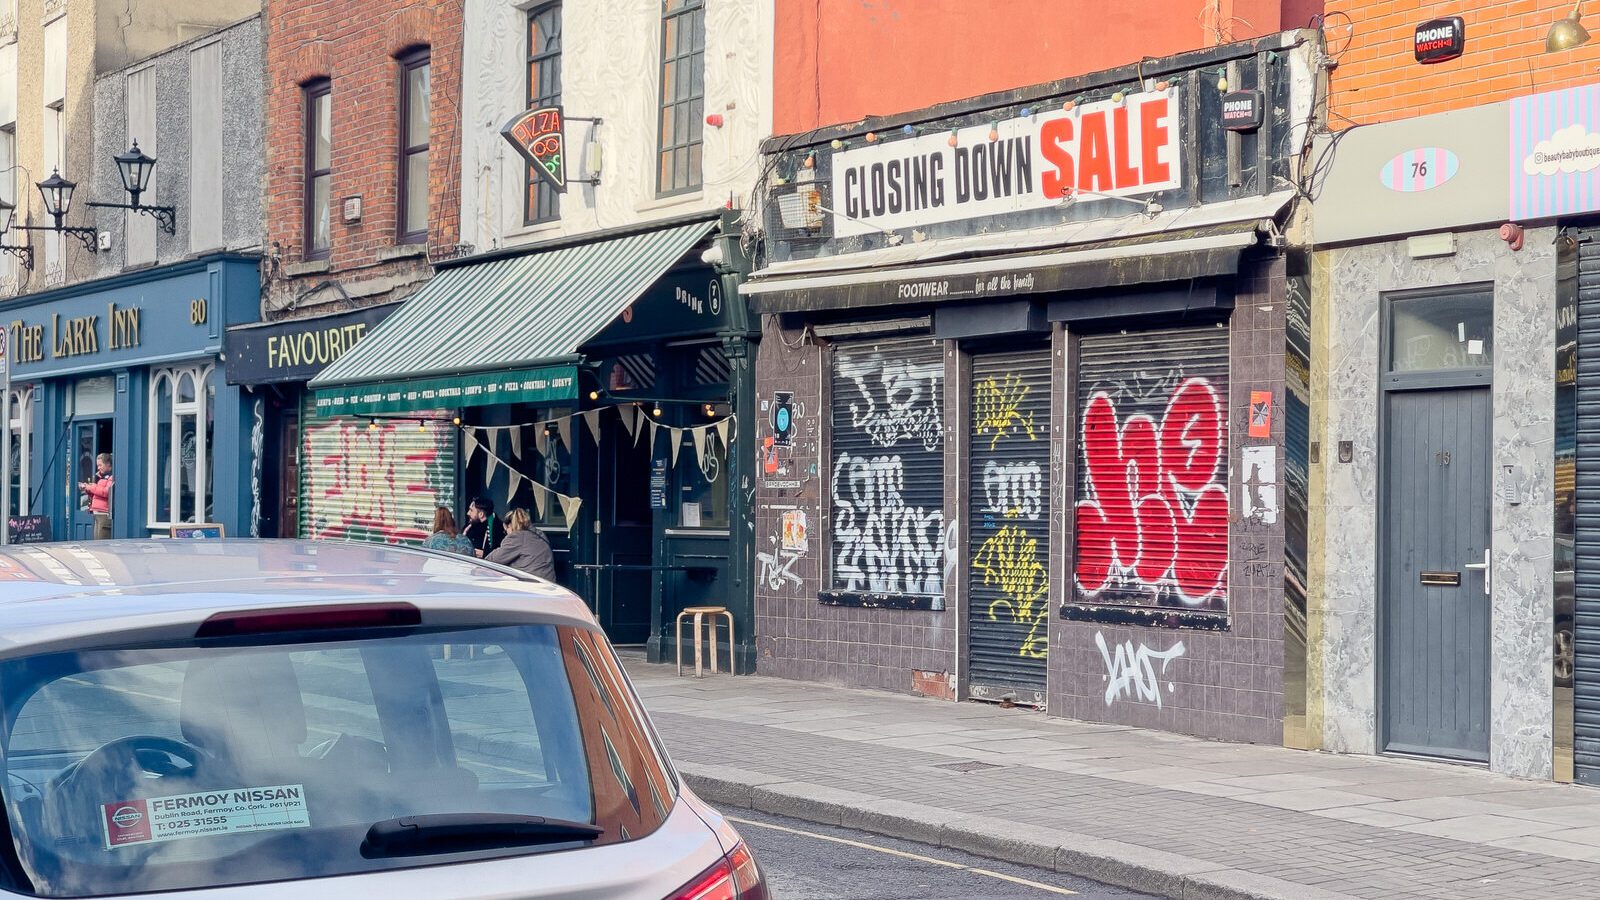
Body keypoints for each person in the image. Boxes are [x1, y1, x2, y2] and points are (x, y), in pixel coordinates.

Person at [486, 508, 557, 581]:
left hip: (530, 585)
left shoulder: (516, 537)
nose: (506, 533)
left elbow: (493, 560)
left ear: (508, 526)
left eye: (505, 531)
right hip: (549, 583)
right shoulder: (540, 534)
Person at [78, 453, 114, 540]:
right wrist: (87, 488)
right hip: (96, 513)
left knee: (102, 543)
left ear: (108, 464)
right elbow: (97, 495)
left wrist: (91, 487)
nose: (98, 468)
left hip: (104, 514)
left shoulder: (111, 476)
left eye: (100, 465)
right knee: (96, 542)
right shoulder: (101, 477)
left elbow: (107, 492)